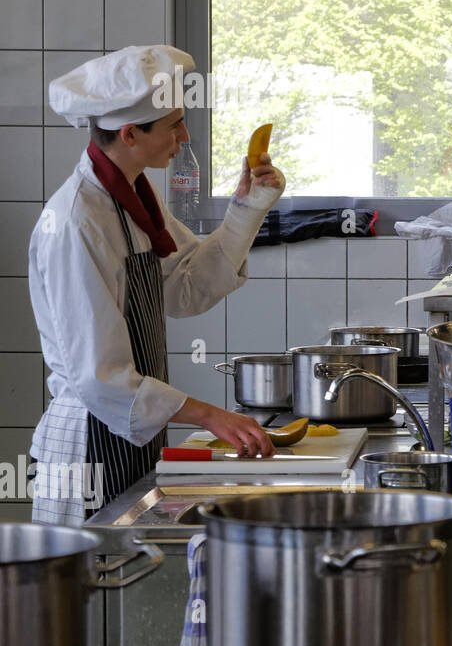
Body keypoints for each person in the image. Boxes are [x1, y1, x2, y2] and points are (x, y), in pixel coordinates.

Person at [28, 45, 285, 525]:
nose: (184, 136)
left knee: (128, 578)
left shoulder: (131, 197)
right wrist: (212, 416)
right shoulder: (77, 221)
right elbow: (99, 377)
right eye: (174, 125)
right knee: (90, 591)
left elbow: (184, 289)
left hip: (129, 435)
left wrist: (249, 208)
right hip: (87, 445)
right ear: (130, 133)